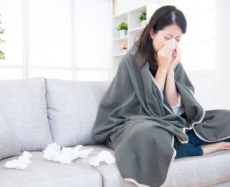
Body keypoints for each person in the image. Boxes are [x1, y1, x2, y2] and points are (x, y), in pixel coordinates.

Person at [93, 5, 230, 187]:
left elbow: (174, 108)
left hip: (172, 122)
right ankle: (205, 149)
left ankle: (184, 145)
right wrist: (163, 68)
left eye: (178, 39)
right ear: (152, 33)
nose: (172, 44)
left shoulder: (175, 61)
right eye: (167, 37)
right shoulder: (131, 60)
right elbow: (152, 109)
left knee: (226, 118)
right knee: (151, 136)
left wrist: (171, 70)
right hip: (138, 121)